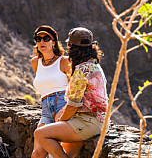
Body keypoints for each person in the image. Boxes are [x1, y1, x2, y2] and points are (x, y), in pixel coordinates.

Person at [34, 27, 108, 158]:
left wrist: (59, 123)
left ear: (72, 48)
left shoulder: (81, 70)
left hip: (87, 122)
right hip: (96, 121)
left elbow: (73, 105)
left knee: (40, 134)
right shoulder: (95, 66)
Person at [31, 25, 71, 158]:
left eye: (46, 38)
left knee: (55, 153)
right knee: (37, 153)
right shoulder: (35, 62)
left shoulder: (64, 61)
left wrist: (66, 109)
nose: (42, 42)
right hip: (46, 110)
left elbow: (75, 88)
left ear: (53, 42)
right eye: (38, 39)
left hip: (62, 106)